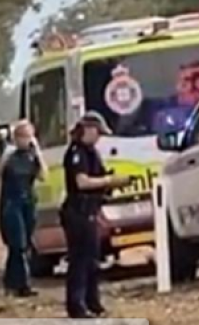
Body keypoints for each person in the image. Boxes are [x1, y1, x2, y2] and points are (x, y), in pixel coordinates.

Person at [60, 111, 132, 318]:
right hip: (77, 212)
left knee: (92, 260)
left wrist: (112, 181)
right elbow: (82, 182)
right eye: (98, 132)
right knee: (79, 261)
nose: (99, 136)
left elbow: (99, 178)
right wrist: (110, 182)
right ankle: (77, 305)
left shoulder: (92, 152)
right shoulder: (77, 153)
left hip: (90, 211)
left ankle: (93, 303)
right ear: (88, 129)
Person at [0, 119, 48, 297]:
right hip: (11, 203)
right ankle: (22, 284)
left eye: (29, 136)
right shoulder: (9, 155)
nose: (25, 140)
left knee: (25, 245)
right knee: (18, 244)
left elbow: (44, 176)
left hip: (28, 202)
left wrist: (38, 152)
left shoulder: (31, 156)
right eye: (22, 136)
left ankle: (12, 284)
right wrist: (4, 157)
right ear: (15, 137)